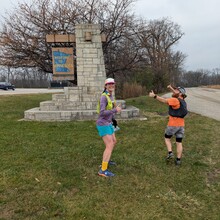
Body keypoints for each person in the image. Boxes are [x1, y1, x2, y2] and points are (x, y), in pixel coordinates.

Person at [149, 85, 188, 165]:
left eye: (177, 90)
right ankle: (178, 160)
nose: (174, 91)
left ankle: (170, 153)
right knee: (179, 142)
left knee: (167, 138)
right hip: (181, 125)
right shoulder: (183, 101)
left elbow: (164, 100)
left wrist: (154, 96)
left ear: (180, 93)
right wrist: (170, 88)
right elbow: (175, 93)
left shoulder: (175, 100)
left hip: (173, 124)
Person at [96, 78, 121, 177]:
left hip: (109, 122)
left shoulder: (110, 96)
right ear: (105, 86)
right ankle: (103, 170)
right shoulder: (104, 97)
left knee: (114, 141)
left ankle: (107, 159)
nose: (111, 85)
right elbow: (102, 112)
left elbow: (110, 110)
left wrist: (114, 116)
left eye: (112, 84)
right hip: (103, 123)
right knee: (109, 145)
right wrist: (115, 110)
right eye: (109, 84)